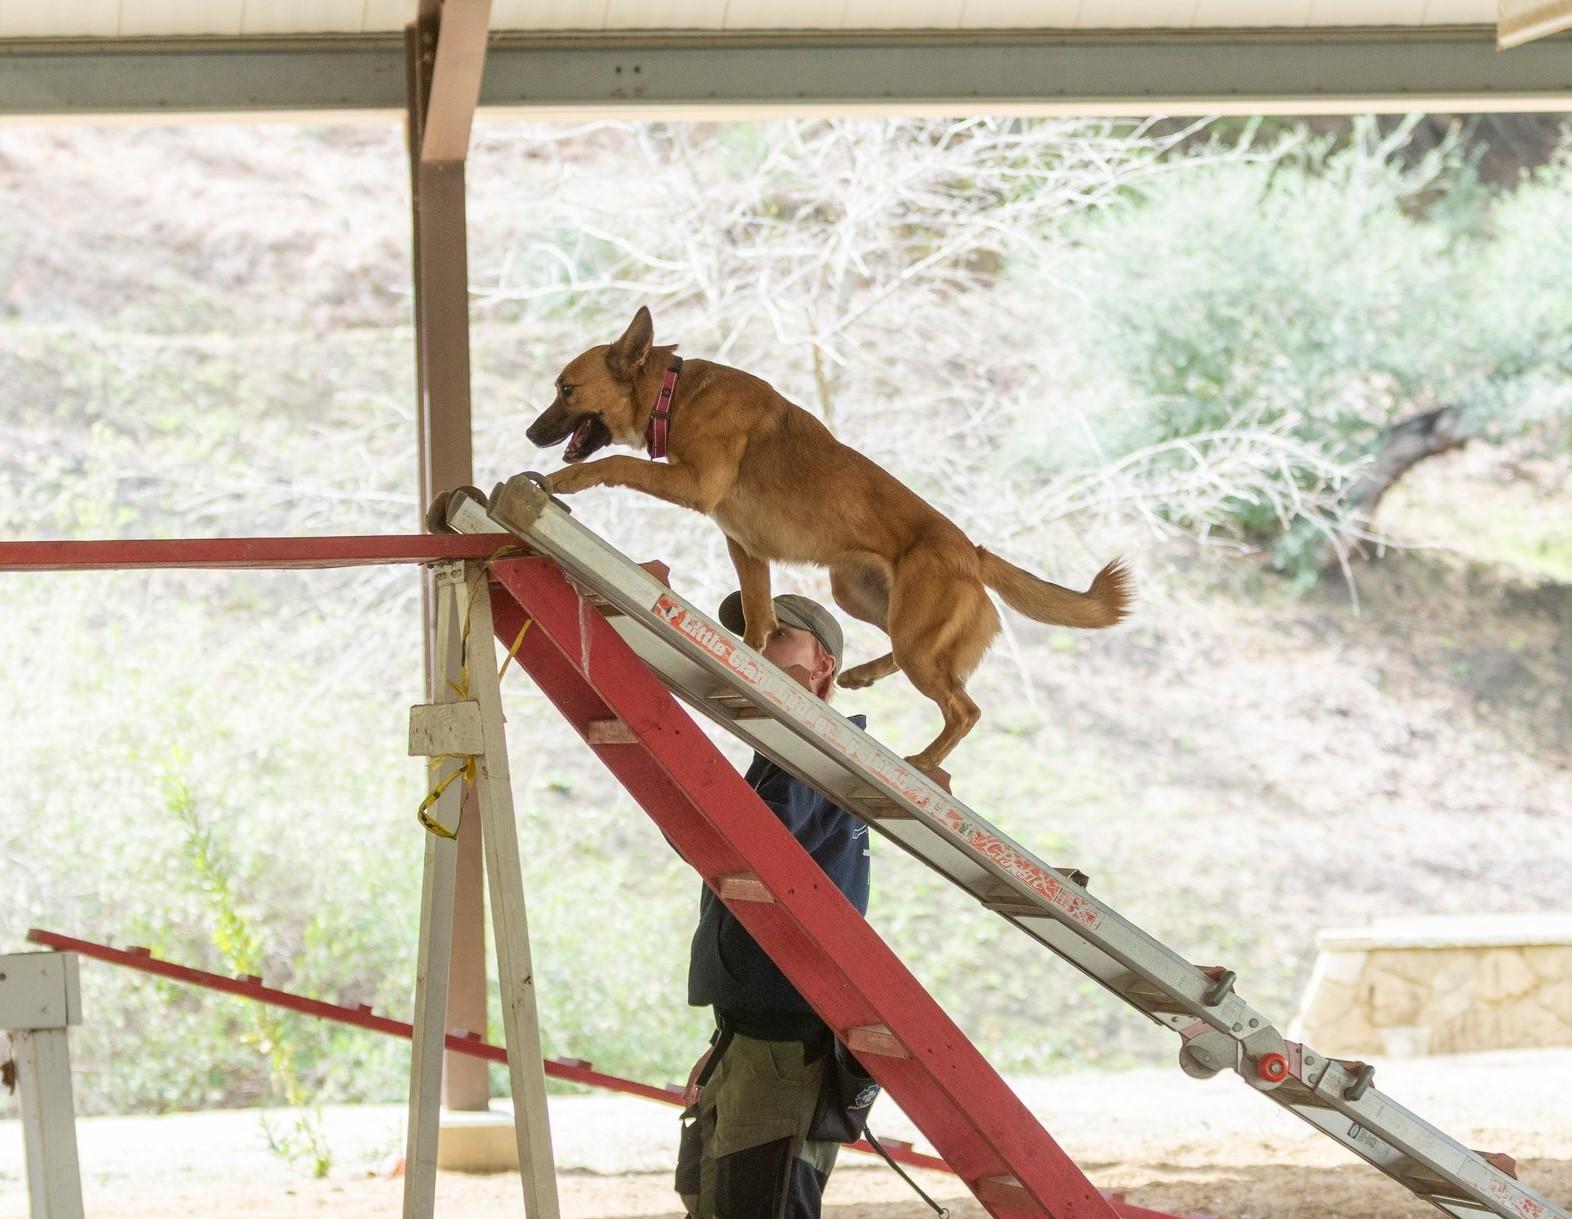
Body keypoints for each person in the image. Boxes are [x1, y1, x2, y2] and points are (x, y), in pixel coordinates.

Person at [676, 591, 871, 1219]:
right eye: (750, 637)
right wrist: (728, 1038)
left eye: (777, 637)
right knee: (712, 1200)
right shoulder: (784, 751)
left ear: (824, 666)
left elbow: (744, 846)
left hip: (786, 1041)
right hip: (755, 1035)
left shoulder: (816, 747)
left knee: (761, 1206)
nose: (755, 649)